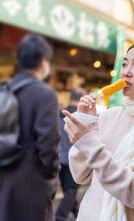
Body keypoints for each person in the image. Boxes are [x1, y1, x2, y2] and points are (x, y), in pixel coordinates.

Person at [62, 42, 134, 221]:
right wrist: (86, 125)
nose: (126, 72)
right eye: (125, 64)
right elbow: (81, 176)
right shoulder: (109, 116)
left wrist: (89, 142)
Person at [0, 34, 61, 221]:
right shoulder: (45, 94)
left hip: (0, 178)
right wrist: (50, 175)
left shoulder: (3, 90)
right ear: (43, 61)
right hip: (30, 182)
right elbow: (49, 142)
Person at [56, 87, 87, 221]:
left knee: (68, 190)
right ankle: (60, 217)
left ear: (70, 97)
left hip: (59, 158)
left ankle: (76, 213)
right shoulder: (83, 116)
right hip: (74, 160)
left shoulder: (59, 113)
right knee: (70, 191)